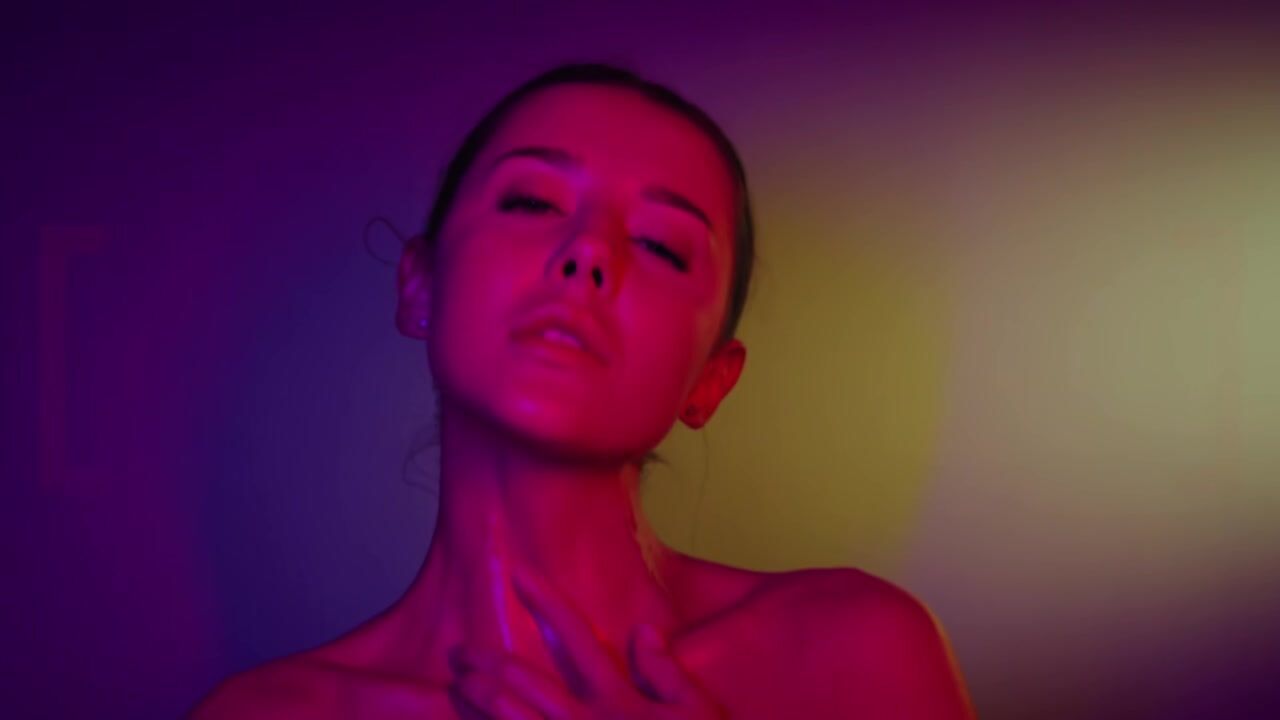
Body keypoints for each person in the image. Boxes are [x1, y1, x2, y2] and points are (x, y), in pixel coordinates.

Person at [193, 62, 976, 719]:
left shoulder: (854, 657)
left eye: (663, 246)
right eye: (532, 202)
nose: (589, 253)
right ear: (420, 284)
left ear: (710, 381)